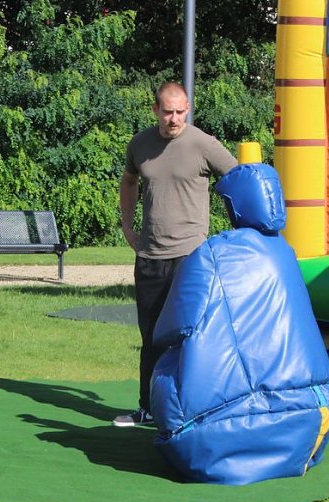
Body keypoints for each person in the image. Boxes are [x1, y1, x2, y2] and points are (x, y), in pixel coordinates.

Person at [149, 163, 329, 484]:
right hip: (316, 415)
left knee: (167, 371)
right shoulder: (285, 253)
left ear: (235, 205)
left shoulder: (211, 254)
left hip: (216, 430)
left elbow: (168, 329)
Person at [114, 81, 238, 427]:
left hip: (191, 257)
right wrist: (127, 225)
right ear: (155, 110)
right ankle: (149, 408)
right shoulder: (140, 144)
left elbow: (240, 180)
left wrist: (239, 232)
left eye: (180, 111)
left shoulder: (203, 144)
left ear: (188, 109)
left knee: (192, 337)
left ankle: (197, 410)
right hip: (150, 255)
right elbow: (128, 181)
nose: (173, 118)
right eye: (167, 111)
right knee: (151, 336)